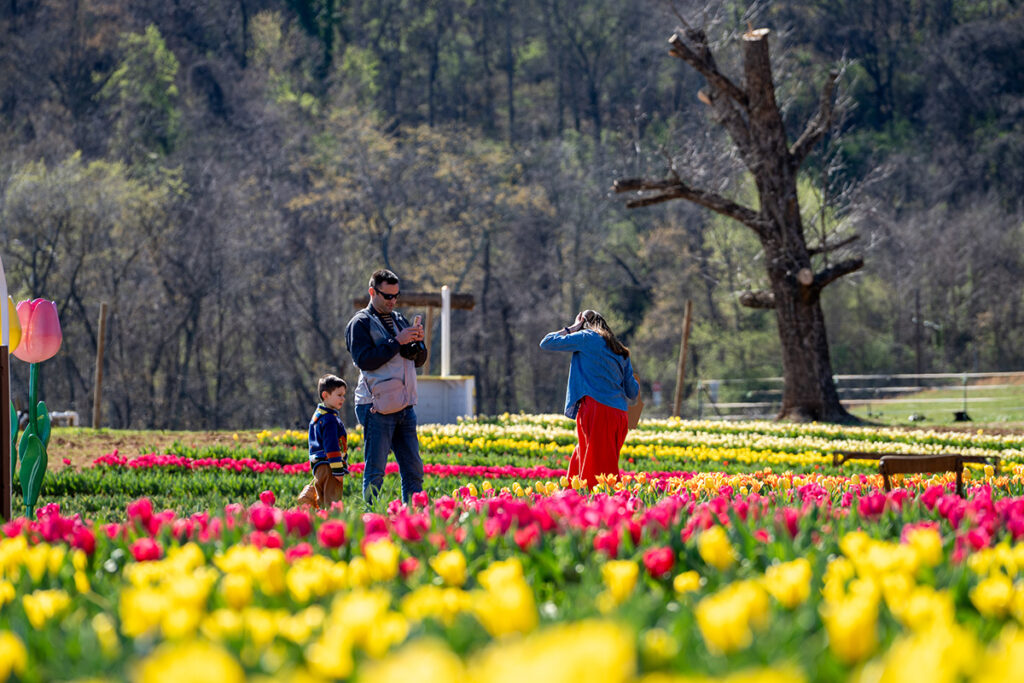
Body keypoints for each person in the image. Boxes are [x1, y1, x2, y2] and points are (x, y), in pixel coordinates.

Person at [345, 269, 428, 503]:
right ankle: (370, 519)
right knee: (375, 472)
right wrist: (397, 341)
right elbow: (365, 360)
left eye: (396, 296)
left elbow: (417, 362)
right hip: (376, 406)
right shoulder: (359, 323)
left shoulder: (399, 319)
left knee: (414, 470)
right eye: (387, 296)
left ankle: (413, 520)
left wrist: (417, 344)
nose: (393, 301)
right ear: (372, 292)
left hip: (404, 405)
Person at [539, 310, 640, 488]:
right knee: (587, 458)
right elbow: (632, 392)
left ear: (585, 324)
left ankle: (600, 509)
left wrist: (572, 328)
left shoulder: (586, 337)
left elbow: (547, 343)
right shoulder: (620, 350)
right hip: (619, 416)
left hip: (596, 409)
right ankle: (573, 499)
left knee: (599, 471)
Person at [299, 374, 350, 510]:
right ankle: (332, 526)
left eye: (344, 395)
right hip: (330, 467)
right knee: (332, 503)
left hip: (318, 467)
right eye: (339, 395)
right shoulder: (330, 419)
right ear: (325, 395)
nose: (343, 399)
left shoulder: (317, 416)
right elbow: (332, 447)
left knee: (321, 502)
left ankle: (320, 525)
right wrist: (338, 471)